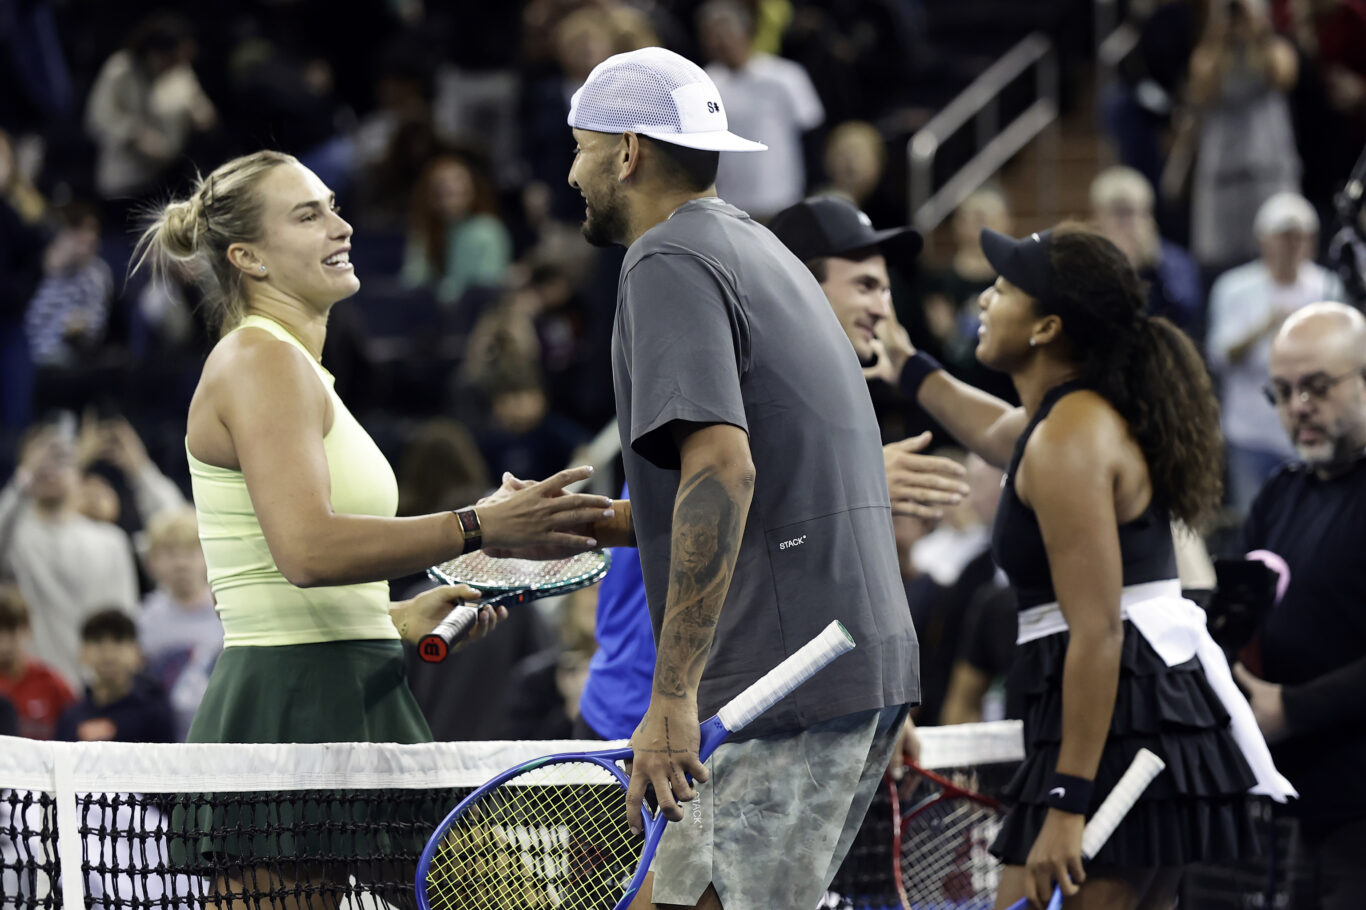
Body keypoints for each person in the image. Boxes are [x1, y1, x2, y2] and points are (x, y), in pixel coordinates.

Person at [131, 149, 614, 903]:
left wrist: (388, 617)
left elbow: (277, 571)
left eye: (333, 206)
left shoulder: (296, 370)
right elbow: (306, 551)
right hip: (287, 709)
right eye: (308, 215)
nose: (342, 225)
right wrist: (480, 525)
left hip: (351, 685)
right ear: (248, 257)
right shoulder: (260, 361)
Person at [564, 47, 918, 910]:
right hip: (845, 661)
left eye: (579, 148)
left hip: (775, 675)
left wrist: (672, 695)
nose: (571, 173)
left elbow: (724, 468)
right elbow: (764, 479)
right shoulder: (757, 247)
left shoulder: (665, 258)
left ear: (627, 152)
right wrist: (591, 523)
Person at [865, 223, 1295, 908]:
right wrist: (907, 362)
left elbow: (1098, 633)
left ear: (1047, 328)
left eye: (1002, 289)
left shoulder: (1070, 435)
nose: (984, 300)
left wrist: (1068, 802)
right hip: (1130, 715)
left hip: (1119, 724)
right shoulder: (1066, 420)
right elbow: (991, 428)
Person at [1231, 302, 1366, 910]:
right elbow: (1238, 619)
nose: (1298, 406)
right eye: (1282, 392)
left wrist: (1291, 708)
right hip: (1291, 805)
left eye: (1317, 386)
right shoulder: (1281, 494)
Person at [1206, 191, 1346, 513]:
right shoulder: (1234, 287)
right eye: (1283, 237)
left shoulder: (1329, 287)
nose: (1291, 246)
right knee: (1253, 520)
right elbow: (1219, 356)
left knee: (1309, 520)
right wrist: (1265, 326)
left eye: (1299, 237)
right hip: (1250, 434)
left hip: (1311, 430)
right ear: (1264, 240)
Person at [0, 417, 140, 688]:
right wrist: (24, 477)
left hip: (98, 688)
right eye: (41, 460)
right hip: (34, 687)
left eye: (60, 459)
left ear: (78, 468)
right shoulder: (15, 539)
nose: (49, 469)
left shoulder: (111, 541)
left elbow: (125, 618)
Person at [135, 506, 220, 741]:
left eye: (191, 552)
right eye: (170, 553)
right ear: (151, 561)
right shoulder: (144, 620)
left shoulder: (227, 612)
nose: (181, 563)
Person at [55, 609, 174, 744]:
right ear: (82, 652)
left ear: (137, 652)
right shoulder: (70, 717)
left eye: (119, 641)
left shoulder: (155, 712)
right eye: (97, 641)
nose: (108, 655)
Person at [0, 584, 75, 740]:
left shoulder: (52, 684)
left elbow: (74, 737)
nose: (4, 642)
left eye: (11, 631)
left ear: (27, 629)